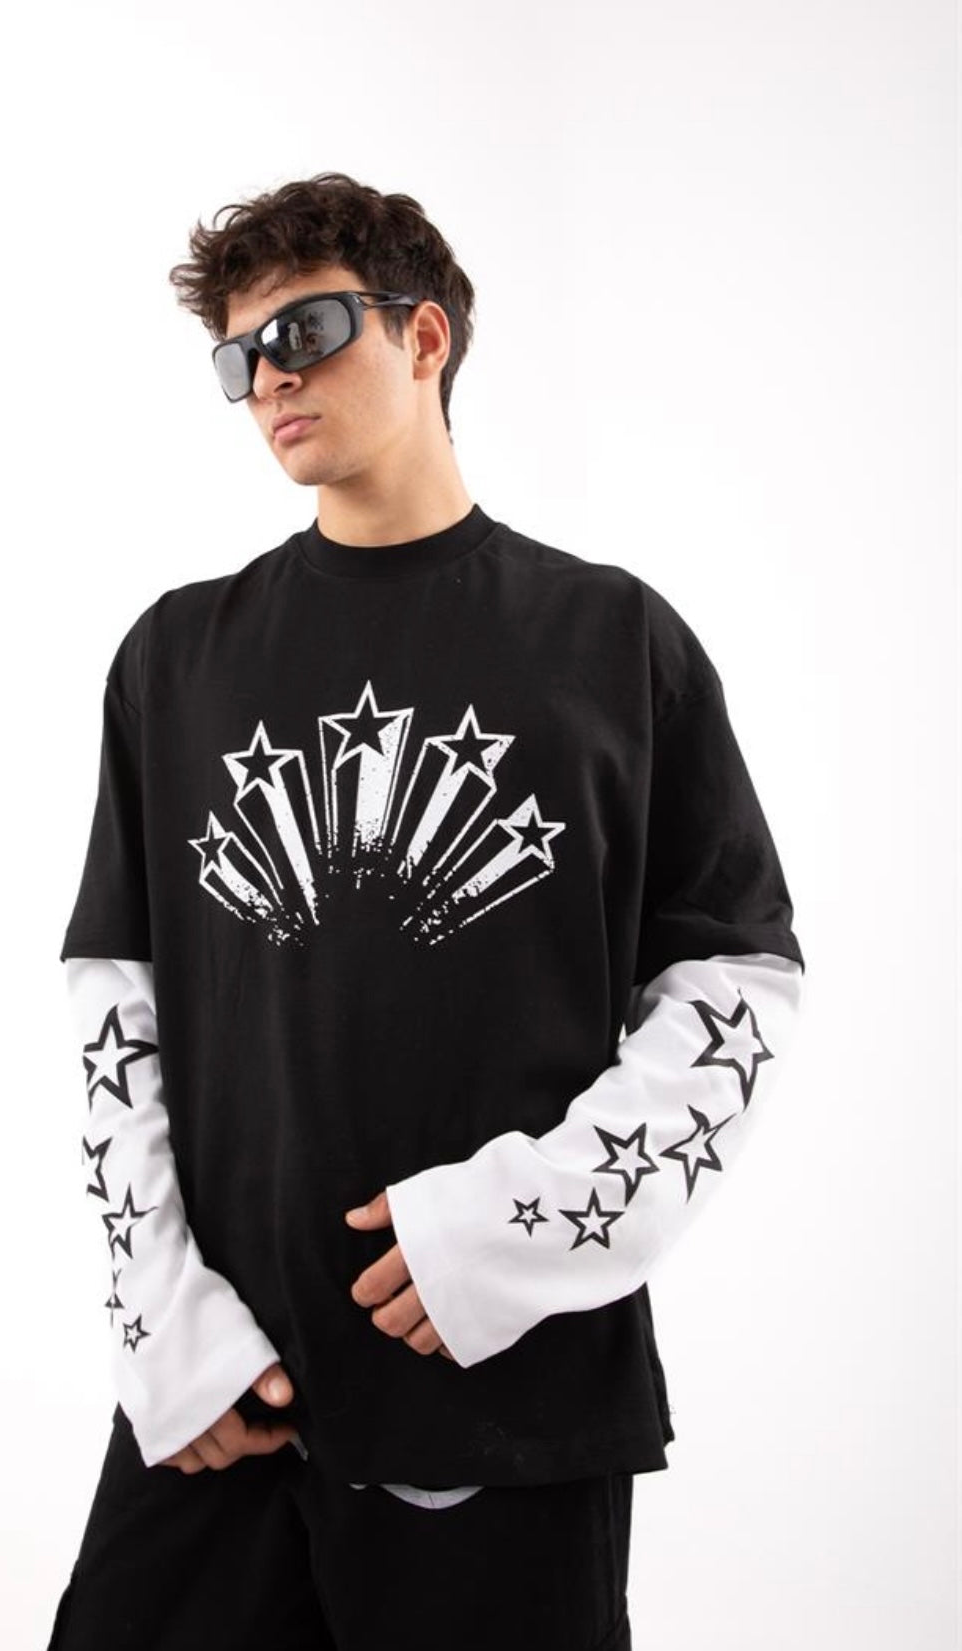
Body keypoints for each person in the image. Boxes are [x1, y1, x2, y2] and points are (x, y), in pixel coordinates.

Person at [44, 171, 805, 1651]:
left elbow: (737, 989)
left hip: (507, 1400)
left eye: (308, 330)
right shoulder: (176, 659)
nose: (270, 377)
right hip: (228, 1395)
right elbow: (113, 1000)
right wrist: (162, 1324)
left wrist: (515, 1231)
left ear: (426, 337)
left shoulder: (614, 640)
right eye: (240, 356)